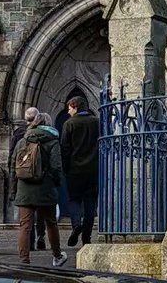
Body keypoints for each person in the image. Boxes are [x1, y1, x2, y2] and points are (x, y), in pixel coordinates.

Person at [12, 112, 67, 267]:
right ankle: (57, 256)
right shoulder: (52, 141)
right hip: (45, 187)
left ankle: (24, 260)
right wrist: (56, 182)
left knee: (25, 225)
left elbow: (14, 164)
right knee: (51, 223)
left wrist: (15, 187)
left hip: (25, 187)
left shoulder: (23, 140)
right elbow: (56, 166)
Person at [61, 93, 100, 246]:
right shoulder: (96, 122)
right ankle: (86, 238)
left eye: (69, 108)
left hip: (75, 169)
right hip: (93, 169)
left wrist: (65, 168)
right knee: (90, 204)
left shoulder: (69, 124)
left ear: (75, 107)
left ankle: (76, 224)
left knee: (74, 200)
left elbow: (65, 148)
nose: (68, 111)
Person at [9, 106, 49, 250]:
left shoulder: (19, 134)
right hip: (41, 178)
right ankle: (41, 236)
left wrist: (13, 183)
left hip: (24, 179)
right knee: (41, 211)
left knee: (26, 218)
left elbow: (12, 159)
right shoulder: (46, 135)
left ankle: (27, 247)